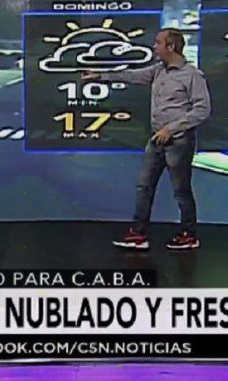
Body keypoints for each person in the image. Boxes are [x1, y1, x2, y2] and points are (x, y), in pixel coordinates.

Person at [83, 28, 211, 250]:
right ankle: (138, 235)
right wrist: (101, 76)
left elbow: (202, 110)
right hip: (156, 139)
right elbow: (131, 75)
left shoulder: (192, 75)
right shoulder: (158, 71)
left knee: (181, 191)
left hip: (179, 142)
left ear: (171, 47)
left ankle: (189, 235)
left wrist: (171, 129)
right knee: (144, 187)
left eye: (158, 43)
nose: (154, 47)